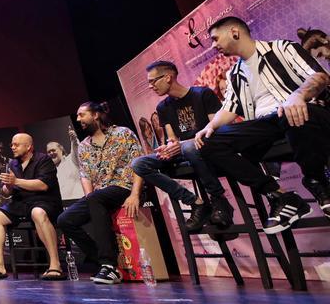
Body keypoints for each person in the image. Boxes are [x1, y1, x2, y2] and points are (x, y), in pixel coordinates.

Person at [196, 17, 330, 233]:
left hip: (304, 111)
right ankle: (280, 195)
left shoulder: (282, 47)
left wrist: (297, 96)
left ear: (234, 32)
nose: (213, 45)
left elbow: (320, 77)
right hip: (266, 125)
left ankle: (316, 180)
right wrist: (208, 128)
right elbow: (229, 107)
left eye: (215, 38)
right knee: (209, 142)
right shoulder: (234, 74)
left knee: (291, 111)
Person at [131, 60, 234, 232]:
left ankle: (218, 199)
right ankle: (195, 203)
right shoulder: (163, 107)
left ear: (168, 77)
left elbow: (216, 130)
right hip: (184, 152)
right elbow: (172, 138)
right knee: (139, 164)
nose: (150, 86)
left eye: (152, 81)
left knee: (188, 147)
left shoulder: (202, 94)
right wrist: (168, 147)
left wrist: (182, 144)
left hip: (207, 147)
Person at [56, 102, 144, 285]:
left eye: (82, 115)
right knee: (65, 219)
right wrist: (89, 198)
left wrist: (135, 194)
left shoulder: (123, 134)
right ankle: (102, 261)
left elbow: (139, 164)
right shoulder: (84, 146)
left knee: (96, 197)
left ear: (95, 115)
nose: (78, 119)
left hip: (123, 187)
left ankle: (109, 265)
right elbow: (85, 175)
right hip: (99, 195)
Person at [0, 133, 64, 280]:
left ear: (29, 146)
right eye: (12, 144)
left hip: (44, 202)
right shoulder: (12, 164)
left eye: (16, 144)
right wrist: (7, 187)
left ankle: (55, 265)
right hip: (21, 203)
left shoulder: (43, 160)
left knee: (37, 212)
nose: (12, 147)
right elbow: (6, 192)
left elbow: (42, 185)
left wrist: (15, 181)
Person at [46, 127, 85, 200]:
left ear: (61, 149)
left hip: (78, 200)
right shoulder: (51, 171)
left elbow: (76, 150)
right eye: (49, 152)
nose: (51, 153)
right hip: (63, 204)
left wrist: (73, 140)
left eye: (53, 150)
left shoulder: (71, 159)